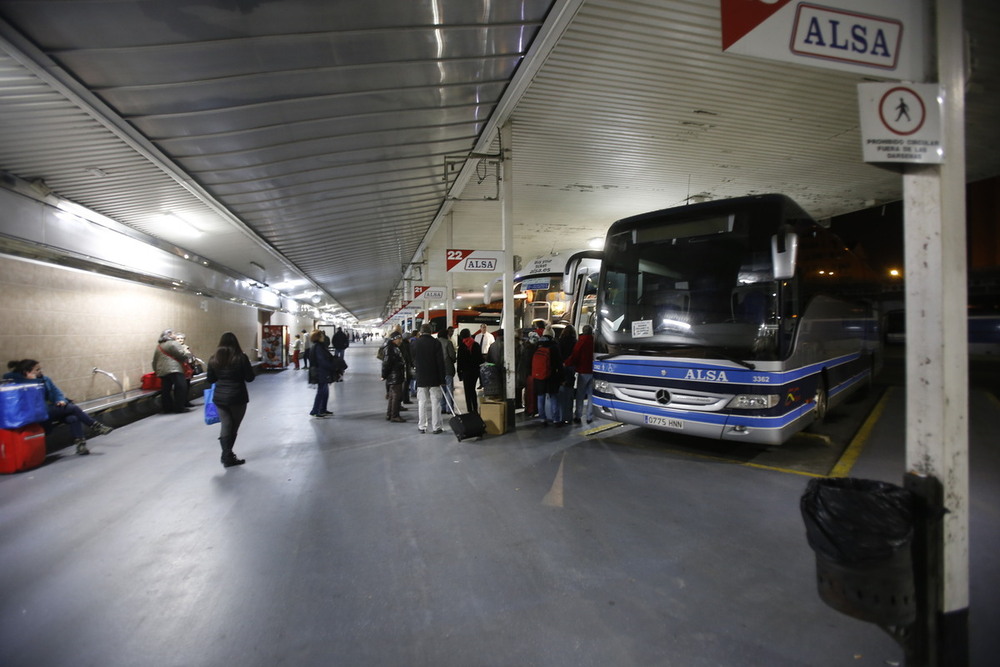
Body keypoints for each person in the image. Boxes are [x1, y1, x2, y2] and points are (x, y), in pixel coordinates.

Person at [4, 359, 113, 455]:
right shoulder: (18, 384)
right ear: (26, 372)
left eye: (40, 369)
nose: (40, 371)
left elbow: (56, 392)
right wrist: (34, 380)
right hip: (37, 413)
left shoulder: (45, 379)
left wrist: (60, 400)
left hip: (50, 410)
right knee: (73, 408)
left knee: (73, 417)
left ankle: (81, 445)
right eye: (36, 370)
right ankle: (95, 425)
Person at [205, 332, 255, 468]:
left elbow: (210, 379)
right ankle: (227, 456)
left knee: (226, 425)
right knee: (234, 427)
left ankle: (227, 455)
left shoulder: (213, 358)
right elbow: (250, 378)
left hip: (220, 398)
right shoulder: (241, 358)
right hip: (237, 397)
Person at [412, 324, 446, 434]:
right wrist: (442, 379)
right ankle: (436, 427)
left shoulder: (415, 343)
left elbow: (412, 359)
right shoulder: (436, 343)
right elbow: (440, 363)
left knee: (422, 402)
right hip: (434, 377)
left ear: (420, 332)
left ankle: (422, 426)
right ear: (431, 331)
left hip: (421, 376)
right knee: (435, 402)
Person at [152, 329, 191, 414]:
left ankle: (167, 408)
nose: (175, 335)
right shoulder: (173, 343)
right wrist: (186, 354)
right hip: (174, 369)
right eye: (173, 333)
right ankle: (179, 407)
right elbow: (181, 355)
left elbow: (154, 360)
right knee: (181, 388)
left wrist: (156, 370)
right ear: (169, 335)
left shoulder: (159, 346)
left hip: (162, 371)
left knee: (166, 390)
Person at [531, 327, 563, 426]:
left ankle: (542, 418)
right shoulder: (554, 346)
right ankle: (556, 419)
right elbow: (559, 363)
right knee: (553, 397)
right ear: (552, 335)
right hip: (551, 376)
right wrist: (561, 376)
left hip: (538, 376)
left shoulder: (537, 345)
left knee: (540, 397)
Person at [565, 324, 595, 424]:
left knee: (580, 395)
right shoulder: (595, 342)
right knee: (591, 395)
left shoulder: (581, 341)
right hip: (594, 372)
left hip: (583, 372)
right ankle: (589, 417)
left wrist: (566, 363)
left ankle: (578, 415)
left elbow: (575, 356)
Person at [307, 330, 336, 418]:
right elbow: (322, 360)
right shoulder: (318, 347)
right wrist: (332, 366)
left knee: (325, 391)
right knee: (321, 391)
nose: (323, 337)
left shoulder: (317, 346)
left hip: (321, 371)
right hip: (321, 372)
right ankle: (315, 410)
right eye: (322, 336)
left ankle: (323, 409)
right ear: (318, 337)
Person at [456, 328, 483, 414]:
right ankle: (475, 408)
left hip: (465, 372)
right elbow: (480, 359)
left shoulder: (462, 346)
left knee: (467, 390)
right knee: (472, 389)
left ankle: (469, 409)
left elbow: (459, 361)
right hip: (475, 371)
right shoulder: (476, 345)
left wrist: (459, 374)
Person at [381, 332, 407, 422]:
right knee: (396, 396)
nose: (400, 341)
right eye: (399, 339)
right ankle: (394, 415)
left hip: (394, 375)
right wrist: (383, 375)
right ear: (394, 339)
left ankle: (390, 414)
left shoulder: (392, 347)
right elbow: (386, 363)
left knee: (392, 396)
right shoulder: (390, 348)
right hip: (394, 375)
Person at [557, 325, 578, 425]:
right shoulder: (575, 342)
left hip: (561, 367)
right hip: (571, 367)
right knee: (569, 393)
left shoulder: (560, 341)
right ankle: (568, 417)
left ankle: (561, 416)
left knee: (561, 393)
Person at [175, 332, 200, 408]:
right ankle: (181, 403)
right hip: (180, 369)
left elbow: (190, 357)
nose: (180, 340)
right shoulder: (175, 348)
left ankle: (186, 401)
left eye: (181, 338)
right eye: (178, 338)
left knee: (187, 386)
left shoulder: (186, 347)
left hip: (187, 370)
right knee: (181, 387)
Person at [438, 328, 456, 414]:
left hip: (438, 369)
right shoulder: (448, 342)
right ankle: (449, 408)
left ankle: (443, 407)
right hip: (447, 368)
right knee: (449, 389)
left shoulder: (435, 342)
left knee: (441, 389)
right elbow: (452, 355)